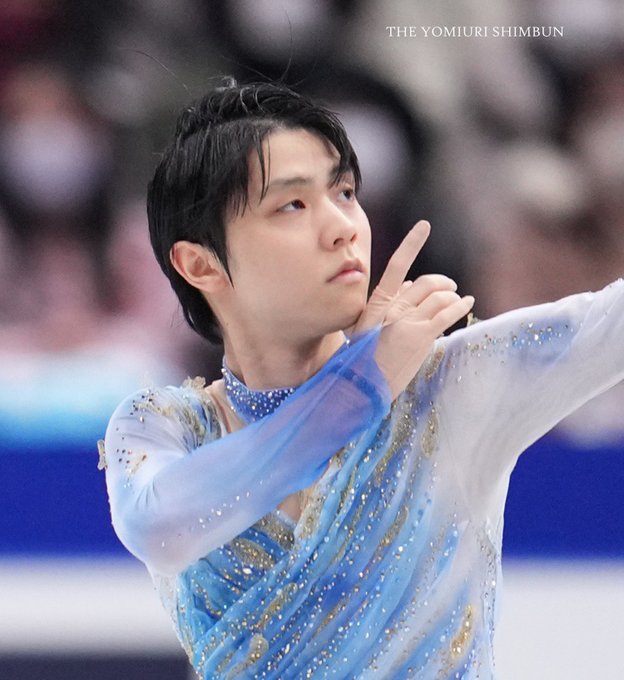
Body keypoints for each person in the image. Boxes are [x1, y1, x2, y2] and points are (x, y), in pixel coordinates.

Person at [100, 80, 624, 679]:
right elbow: (161, 527)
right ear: (201, 263)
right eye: (292, 205)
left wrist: (372, 377)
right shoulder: (168, 425)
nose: (343, 227)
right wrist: (361, 383)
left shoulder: (445, 387)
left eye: (345, 193)